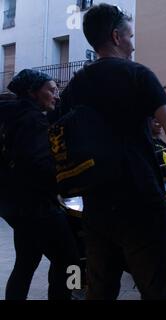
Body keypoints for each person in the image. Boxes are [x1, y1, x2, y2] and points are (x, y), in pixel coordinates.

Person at [60, 4, 166, 300]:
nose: (133, 45)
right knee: (157, 289)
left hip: (96, 207)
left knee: (101, 290)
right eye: (131, 36)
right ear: (117, 36)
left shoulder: (74, 86)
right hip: (141, 203)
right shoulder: (138, 74)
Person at [0, 69, 79, 300]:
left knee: (26, 262)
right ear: (33, 92)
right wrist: (65, 182)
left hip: (13, 206)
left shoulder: (12, 116)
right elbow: (38, 164)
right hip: (36, 205)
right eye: (52, 90)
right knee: (68, 261)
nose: (56, 96)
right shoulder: (32, 120)